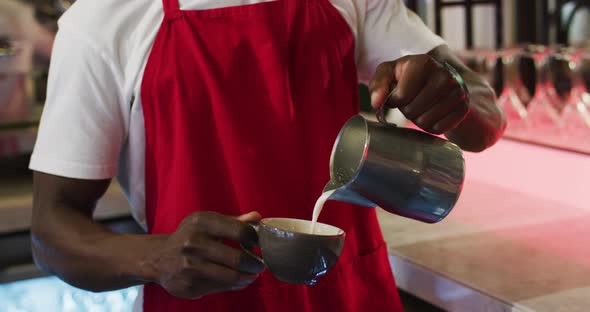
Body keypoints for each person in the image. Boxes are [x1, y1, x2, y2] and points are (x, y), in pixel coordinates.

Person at [29, 0, 505, 311]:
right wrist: (155, 256)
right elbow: (51, 231)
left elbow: (486, 117)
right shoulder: (104, 18)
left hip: (352, 297)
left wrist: (451, 92)